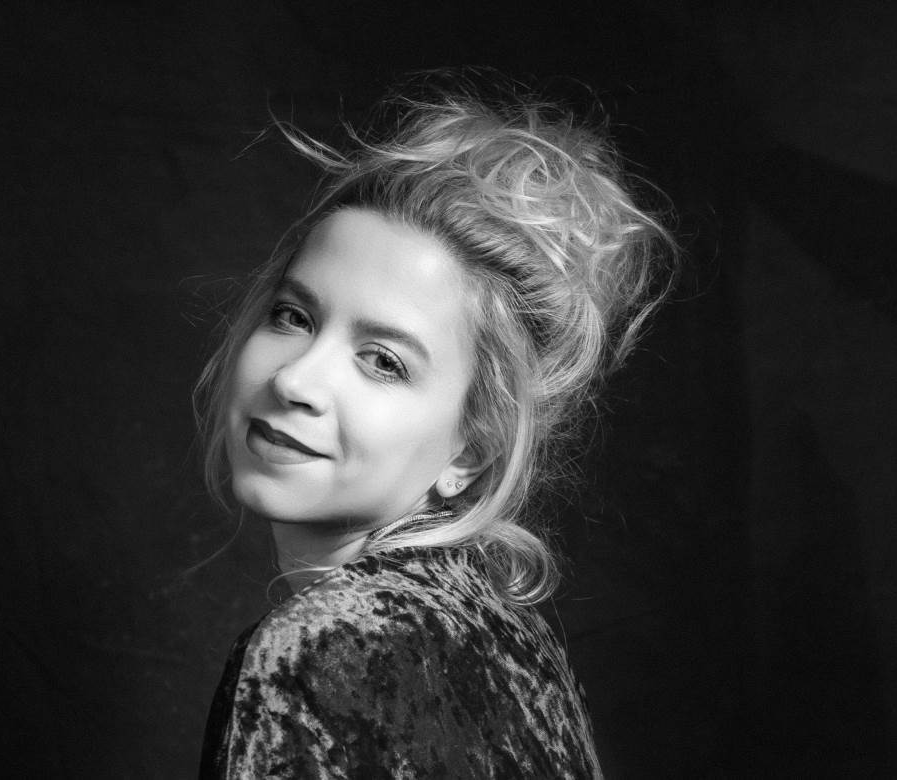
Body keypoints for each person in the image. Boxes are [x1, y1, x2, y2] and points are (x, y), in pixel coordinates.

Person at [194, 73, 675, 778]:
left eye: (383, 362)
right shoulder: (517, 645)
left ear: (474, 449)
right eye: (293, 317)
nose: (295, 380)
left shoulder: (321, 652)